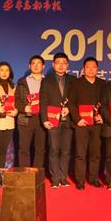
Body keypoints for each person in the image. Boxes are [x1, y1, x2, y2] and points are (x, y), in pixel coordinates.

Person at [68, 57, 105, 190]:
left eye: (93, 67)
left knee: (95, 153)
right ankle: (80, 181)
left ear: (97, 69)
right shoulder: (76, 83)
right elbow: (71, 103)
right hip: (81, 124)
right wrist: (78, 119)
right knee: (80, 154)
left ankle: (94, 178)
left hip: (96, 124)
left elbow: (106, 104)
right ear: (83, 69)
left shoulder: (103, 84)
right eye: (88, 67)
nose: (91, 69)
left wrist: (102, 116)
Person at [40, 52, 76, 188]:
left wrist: (70, 109)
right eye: (58, 63)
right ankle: (55, 178)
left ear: (68, 65)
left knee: (66, 150)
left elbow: (75, 100)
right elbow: (43, 101)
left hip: (69, 120)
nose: (61, 65)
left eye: (64, 63)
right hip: (52, 119)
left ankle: (63, 177)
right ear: (53, 64)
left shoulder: (73, 80)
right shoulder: (46, 80)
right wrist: (44, 119)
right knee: (54, 149)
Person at [14, 55, 46, 168]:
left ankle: (37, 173)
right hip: (26, 118)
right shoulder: (22, 81)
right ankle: (25, 174)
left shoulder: (48, 81)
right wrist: (24, 108)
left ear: (43, 66)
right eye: (33, 63)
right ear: (29, 66)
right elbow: (16, 100)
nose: (36, 65)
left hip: (42, 119)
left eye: (38, 63)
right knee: (24, 148)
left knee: (40, 149)